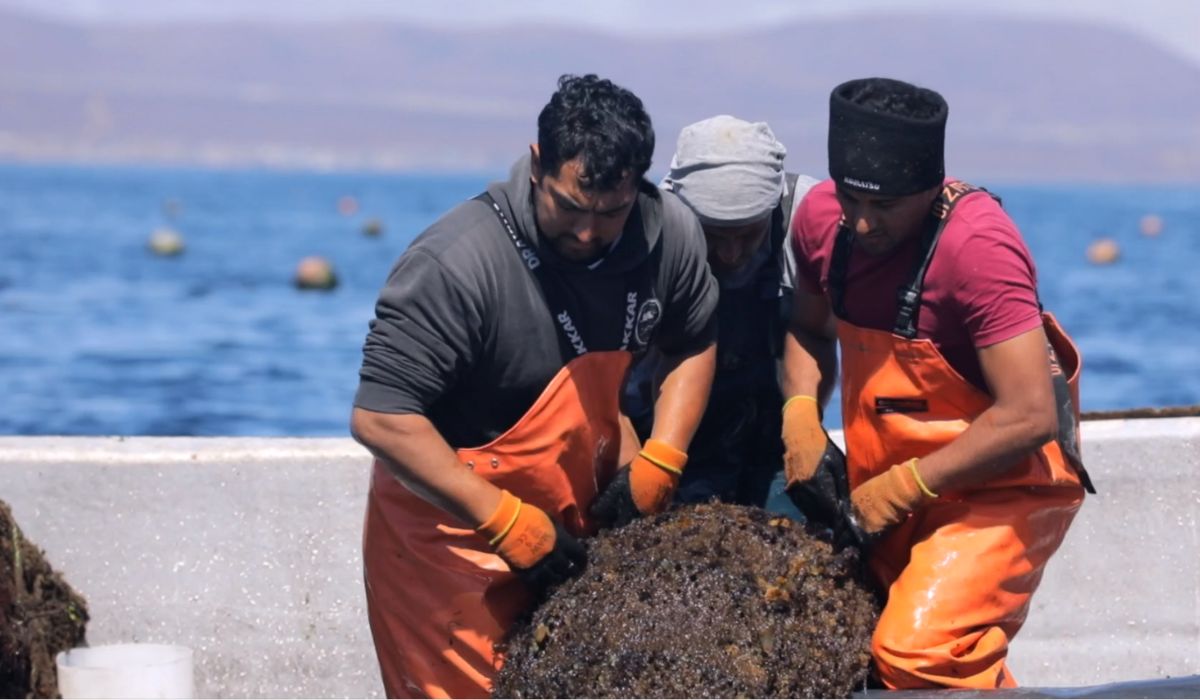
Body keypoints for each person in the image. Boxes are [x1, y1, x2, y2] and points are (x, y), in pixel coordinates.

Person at [349, 74, 718, 699]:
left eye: (610, 213)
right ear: (537, 162)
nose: (585, 232)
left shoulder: (669, 235)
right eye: (568, 207)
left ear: (640, 185)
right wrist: (501, 519)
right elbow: (382, 419)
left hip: (578, 509)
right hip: (452, 534)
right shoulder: (457, 263)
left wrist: (666, 452)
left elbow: (693, 339)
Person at [781, 77, 1094, 690]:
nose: (864, 226)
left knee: (916, 653)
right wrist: (799, 413)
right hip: (887, 491)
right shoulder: (820, 220)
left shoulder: (977, 248)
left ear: (932, 188)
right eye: (852, 200)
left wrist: (907, 486)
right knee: (891, 646)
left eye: (886, 207)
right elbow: (809, 332)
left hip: (1003, 488)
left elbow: (1032, 414)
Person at [622, 115, 817, 509]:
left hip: (774, 433)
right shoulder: (644, 234)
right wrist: (644, 462)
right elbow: (611, 375)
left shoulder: (806, 220)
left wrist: (803, 419)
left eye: (748, 232)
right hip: (668, 438)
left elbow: (816, 331)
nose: (730, 254)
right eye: (712, 234)